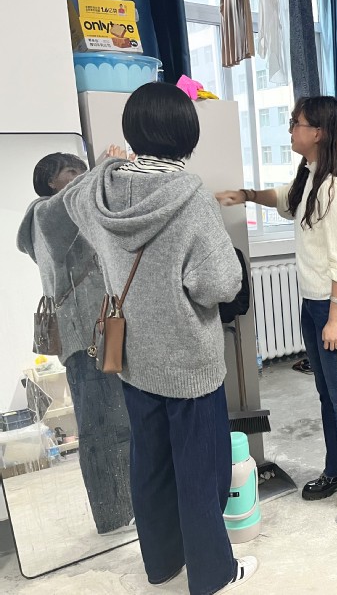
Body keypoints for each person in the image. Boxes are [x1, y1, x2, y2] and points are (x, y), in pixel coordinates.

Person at [62, 82, 258, 594]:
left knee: (149, 464)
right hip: (189, 362)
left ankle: (163, 565)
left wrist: (107, 163)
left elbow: (73, 199)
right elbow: (219, 284)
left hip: (133, 358)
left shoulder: (100, 193)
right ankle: (213, 574)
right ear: (186, 135)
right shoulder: (190, 196)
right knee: (202, 472)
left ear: (133, 131)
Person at [216, 96, 337, 525]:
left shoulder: (336, 188)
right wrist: (247, 195)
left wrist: (335, 318)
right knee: (329, 397)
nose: (290, 130)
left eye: (295, 123)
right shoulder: (312, 176)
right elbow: (285, 198)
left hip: (336, 306)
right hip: (314, 302)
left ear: (318, 132)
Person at [17, 151, 134, 536]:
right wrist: (99, 168)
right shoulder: (43, 214)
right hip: (85, 338)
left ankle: (126, 508)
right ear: (50, 181)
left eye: (82, 170)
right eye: (71, 171)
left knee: (117, 422)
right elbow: (64, 210)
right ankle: (115, 517)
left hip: (99, 332)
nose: (80, 176)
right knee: (103, 428)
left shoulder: (72, 212)